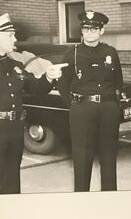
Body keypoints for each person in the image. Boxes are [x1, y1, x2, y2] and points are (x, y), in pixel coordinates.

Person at [57, 10, 122, 192]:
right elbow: (62, 85)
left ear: (102, 31)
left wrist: (113, 105)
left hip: (108, 110)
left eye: (94, 29)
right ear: (82, 31)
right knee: (82, 158)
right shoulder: (72, 54)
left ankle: (110, 202)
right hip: (82, 110)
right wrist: (74, 105)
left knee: (109, 158)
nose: (90, 32)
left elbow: (118, 81)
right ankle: (82, 202)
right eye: (86, 29)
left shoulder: (111, 52)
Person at [0, 13, 61, 194]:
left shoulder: (13, 64)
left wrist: (48, 77)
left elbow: (33, 87)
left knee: (12, 182)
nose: (15, 39)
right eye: (10, 35)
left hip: (15, 129)